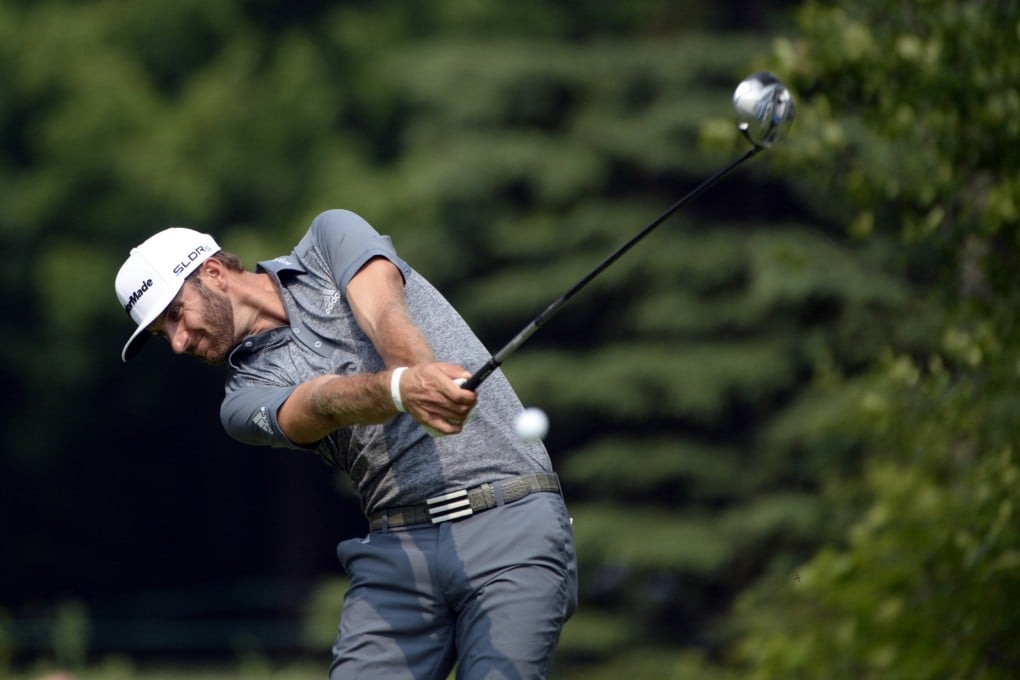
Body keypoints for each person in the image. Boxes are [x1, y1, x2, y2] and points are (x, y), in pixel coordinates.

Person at [114, 209, 578, 679]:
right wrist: (401, 390)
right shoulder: (240, 401)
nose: (177, 342)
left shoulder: (327, 239)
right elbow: (320, 404)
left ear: (213, 273)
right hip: (398, 552)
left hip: (509, 515)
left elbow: (383, 311)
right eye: (162, 333)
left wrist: (416, 374)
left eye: (175, 315)